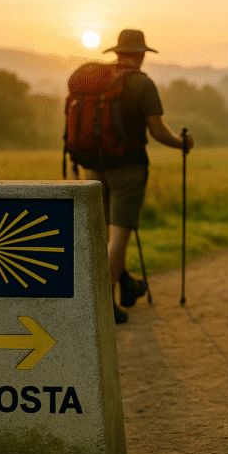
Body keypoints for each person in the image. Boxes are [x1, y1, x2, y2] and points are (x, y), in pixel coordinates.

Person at [75, 29, 194, 324]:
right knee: (120, 235)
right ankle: (106, 301)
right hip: (128, 166)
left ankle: (123, 281)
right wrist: (182, 143)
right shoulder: (142, 83)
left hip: (92, 164)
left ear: (117, 52)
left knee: (101, 233)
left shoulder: (99, 80)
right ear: (141, 54)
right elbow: (158, 131)